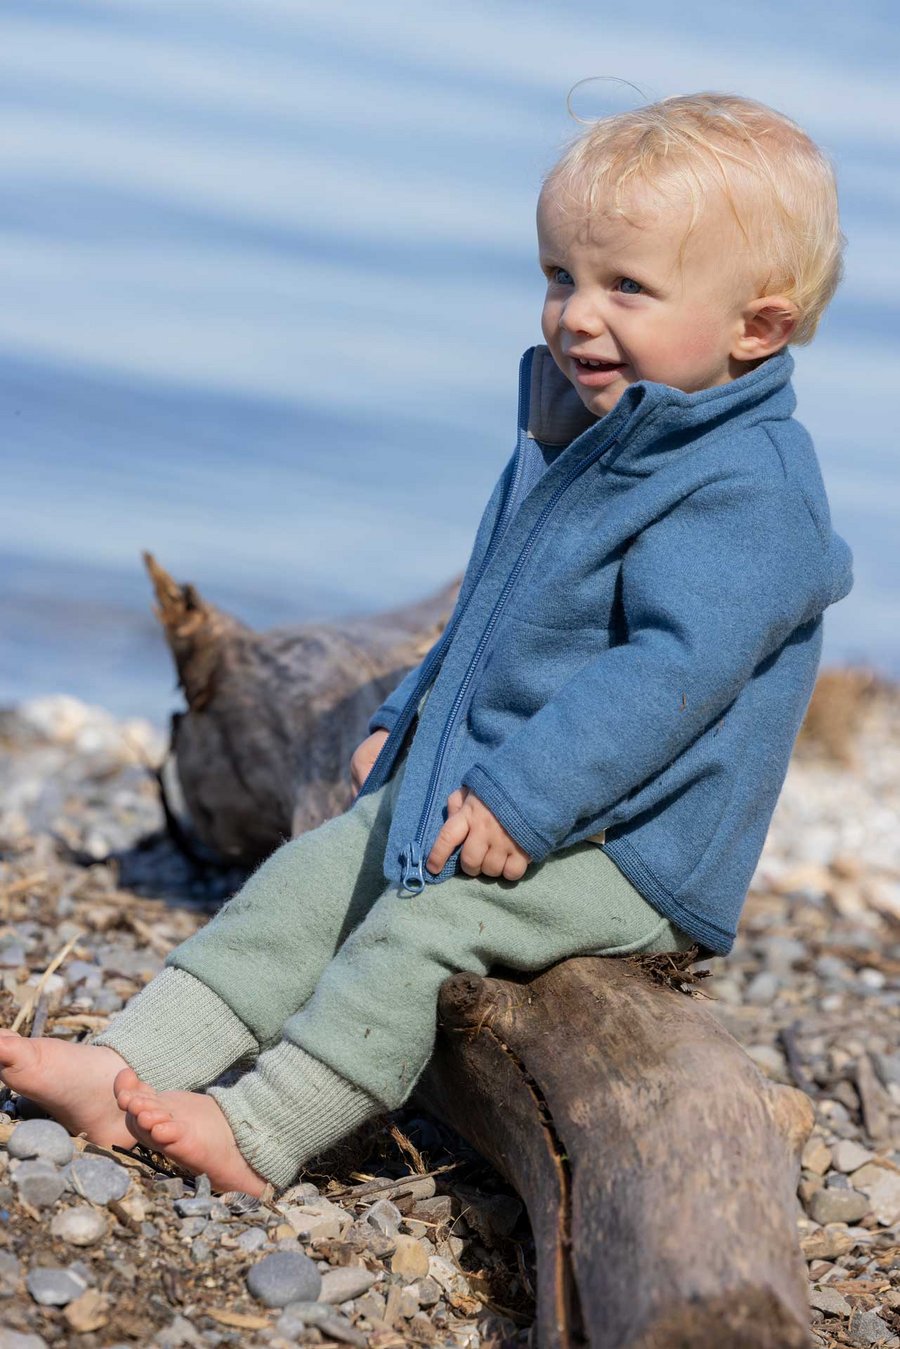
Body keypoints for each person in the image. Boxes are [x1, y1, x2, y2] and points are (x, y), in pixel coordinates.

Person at [0, 92, 852, 1196]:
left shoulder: (748, 490)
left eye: (626, 287)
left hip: (632, 843)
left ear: (758, 327)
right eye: (561, 275)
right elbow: (495, 607)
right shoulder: (594, 424)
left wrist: (527, 797)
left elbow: (670, 676)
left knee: (424, 926)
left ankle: (259, 1129)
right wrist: (412, 715)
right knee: (314, 873)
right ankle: (123, 1064)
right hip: (517, 783)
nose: (577, 316)